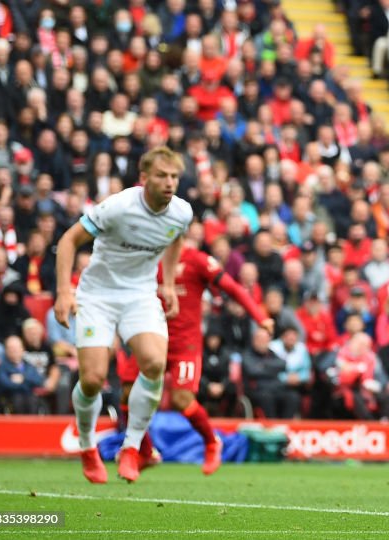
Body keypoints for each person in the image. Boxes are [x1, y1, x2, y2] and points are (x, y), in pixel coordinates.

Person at [54, 146, 193, 484]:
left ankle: (131, 449)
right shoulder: (118, 207)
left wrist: (170, 283)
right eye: (162, 175)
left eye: (174, 176)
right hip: (97, 295)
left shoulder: (182, 212)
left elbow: (175, 240)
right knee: (92, 379)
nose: (169, 182)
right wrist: (63, 292)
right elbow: (69, 240)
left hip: (139, 295)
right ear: (144, 178)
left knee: (155, 363)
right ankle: (87, 447)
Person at [117, 237, 273, 475]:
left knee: (182, 399)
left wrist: (260, 318)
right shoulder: (148, 257)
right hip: (151, 338)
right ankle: (146, 452)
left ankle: (212, 442)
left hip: (184, 345)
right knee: (128, 394)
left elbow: (232, 288)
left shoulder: (197, 260)